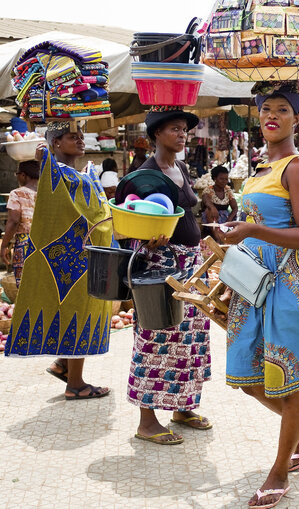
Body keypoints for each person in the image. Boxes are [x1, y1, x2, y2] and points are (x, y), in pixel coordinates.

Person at [220, 81, 299, 509]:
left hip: (289, 283)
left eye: (282, 109)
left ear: (297, 117)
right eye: (266, 108)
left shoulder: (298, 167)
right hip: (254, 283)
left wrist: (253, 230)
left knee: (286, 379)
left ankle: (279, 469)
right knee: (248, 377)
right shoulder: (260, 168)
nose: (272, 116)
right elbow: (254, 223)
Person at [8, 122, 112, 401]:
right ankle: (76, 385)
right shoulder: (56, 173)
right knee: (77, 309)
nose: (79, 141)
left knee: (73, 308)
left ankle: (64, 364)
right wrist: (46, 162)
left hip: (81, 254)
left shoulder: (80, 173)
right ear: (55, 143)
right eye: (71, 137)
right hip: (72, 255)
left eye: (81, 136)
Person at [126, 106, 212, 445]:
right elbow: (130, 222)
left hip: (190, 265)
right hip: (161, 268)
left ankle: (182, 406)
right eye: (174, 129)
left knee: (190, 341)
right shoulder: (145, 174)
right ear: (157, 134)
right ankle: (147, 422)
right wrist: (148, 238)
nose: (182, 134)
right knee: (157, 340)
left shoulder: (181, 167)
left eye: (184, 129)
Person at [0, 160, 39, 283]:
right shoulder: (46, 193)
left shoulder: (16, 193)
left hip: (25, 243)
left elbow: (14, 221)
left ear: (23, 175)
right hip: (44, 242)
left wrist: (4, 246)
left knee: (25, 285)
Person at [201, 165, 237, 229]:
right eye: (221, 179)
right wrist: (212, 208)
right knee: (208, 210)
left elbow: (235, 208)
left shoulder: (228, 191)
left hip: (225, 218)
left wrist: (229, 220)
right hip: (212, 219)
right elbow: (207, 201)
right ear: (215, 178)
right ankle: (217, 236)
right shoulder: (208, 190)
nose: (224, 181)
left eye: (226, 179)